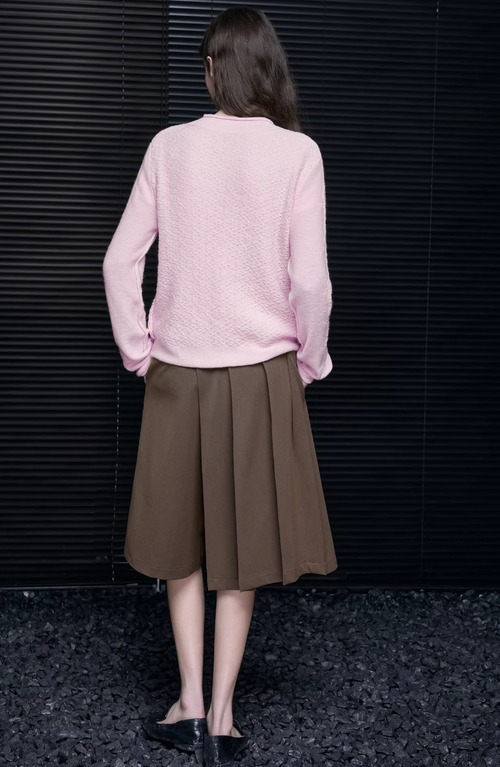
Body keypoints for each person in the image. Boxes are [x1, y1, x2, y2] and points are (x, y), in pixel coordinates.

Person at [102, 6, 338, 766]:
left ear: (212, 70)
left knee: (181, 546)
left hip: (178, 371)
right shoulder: (298, 153)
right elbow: (311, 284)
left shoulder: (169, 147)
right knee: (241, 549)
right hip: (261, 375)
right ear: (268, 70)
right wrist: (308, 362)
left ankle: (190, 705)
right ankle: (227, 716)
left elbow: (118, 262)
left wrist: (141, 353)